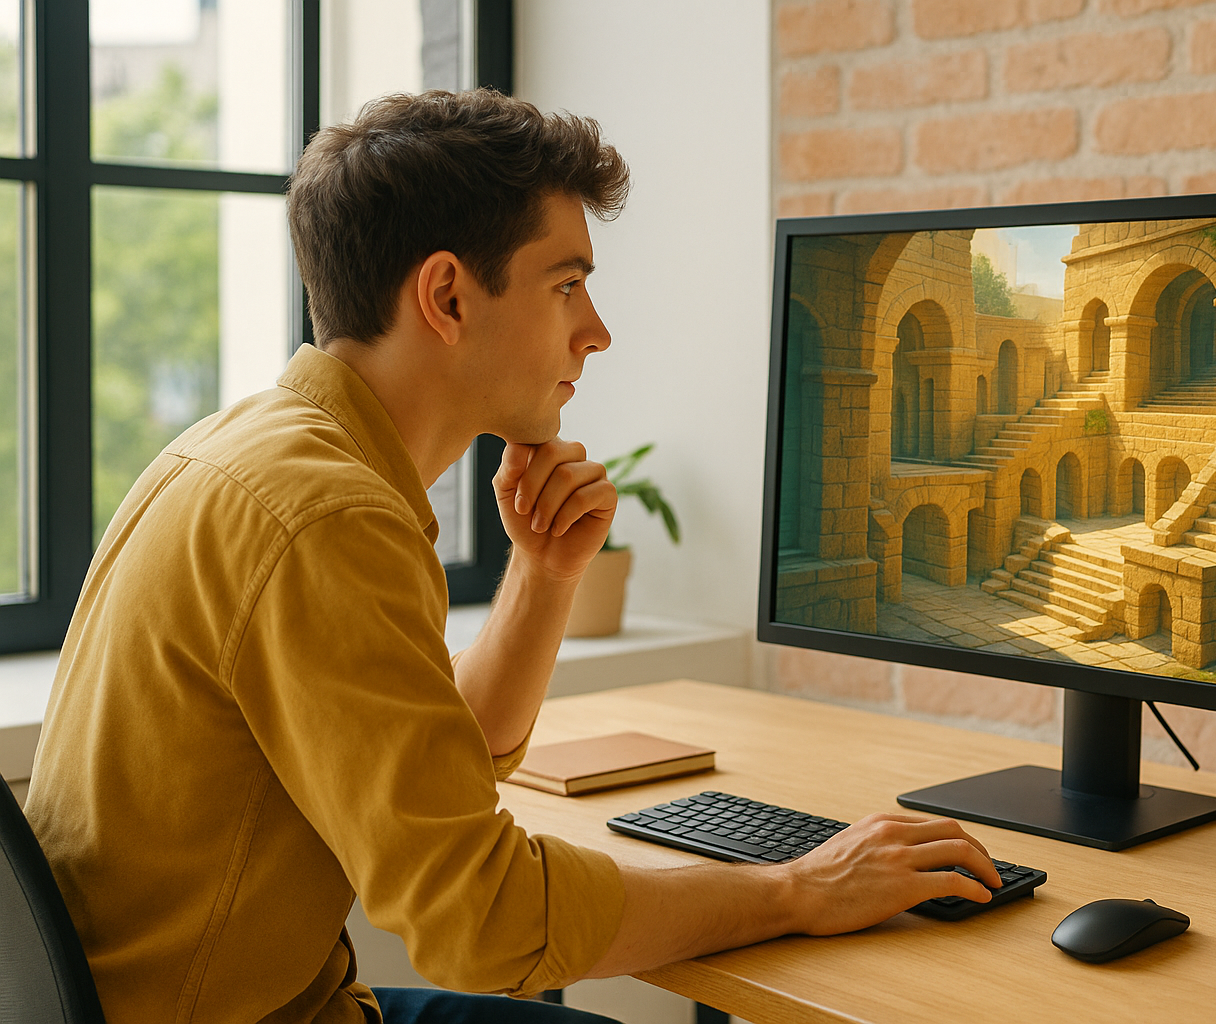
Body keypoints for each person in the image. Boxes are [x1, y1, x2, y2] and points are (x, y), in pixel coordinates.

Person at [25, 89, 1001, 1024]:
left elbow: (443, 761)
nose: (598, 331)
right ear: (447, 294)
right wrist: (793, 889)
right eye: (567, 284)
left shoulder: (260, 448)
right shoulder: (324, 514)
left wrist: (542, 578)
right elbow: (478, 922)